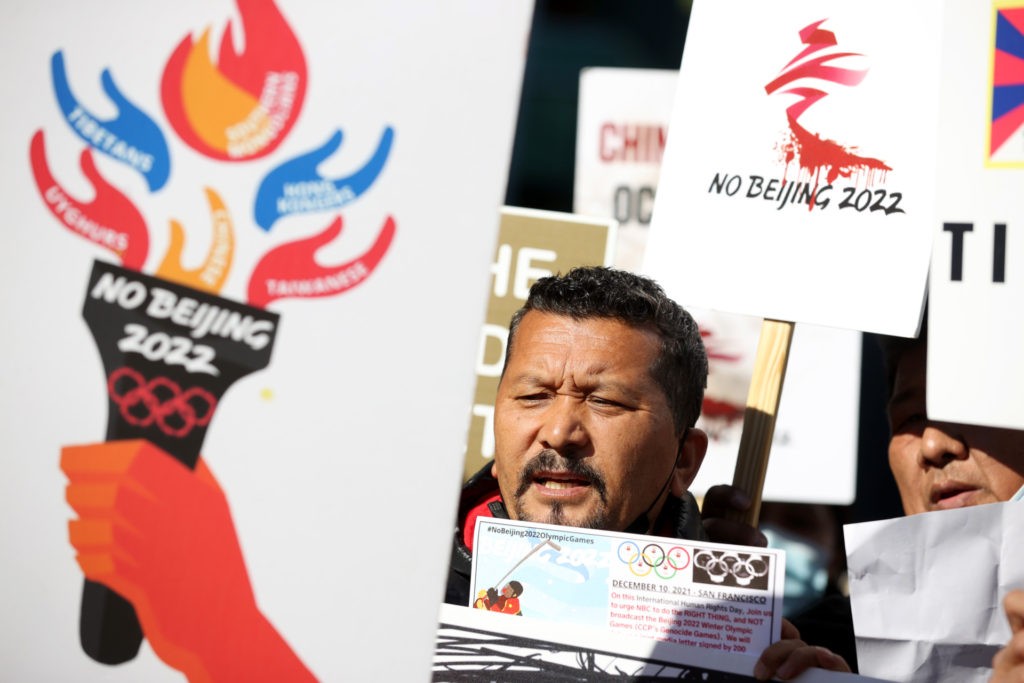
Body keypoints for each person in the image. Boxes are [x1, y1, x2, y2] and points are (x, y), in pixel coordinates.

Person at [444, 266, 850, 680]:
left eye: (605, 402)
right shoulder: (402, 590)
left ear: (685, 460)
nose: (559, 432)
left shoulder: (741, 650)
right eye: (534, 396)